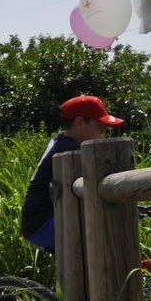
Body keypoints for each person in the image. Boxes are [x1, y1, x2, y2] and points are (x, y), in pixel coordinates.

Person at [20, 95, 123, 252]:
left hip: (40, 222)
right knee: (105, 233)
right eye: (100, 126)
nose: (102, 133)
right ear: (80, 122)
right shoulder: (70, 149)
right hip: (44, 223)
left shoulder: (61, 141)